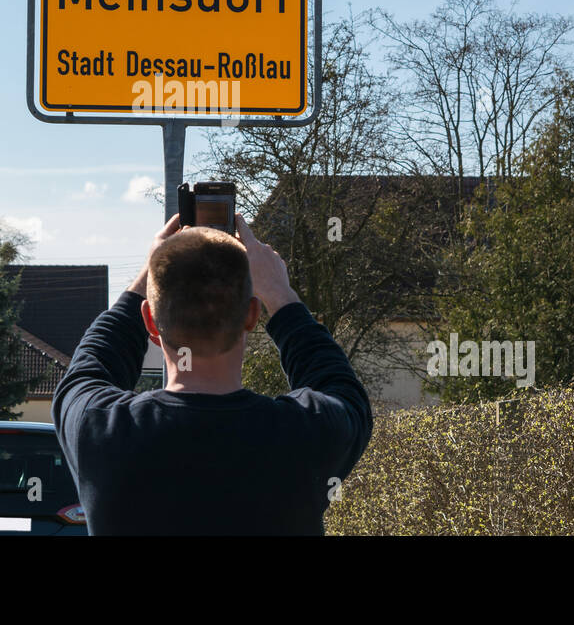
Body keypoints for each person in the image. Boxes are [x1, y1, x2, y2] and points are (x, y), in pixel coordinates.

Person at [51, 211, 373, 534]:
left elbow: (88, 368)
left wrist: (148, 274)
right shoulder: (304, 436)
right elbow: (341, 389)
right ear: (252, 315)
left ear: (149, 320)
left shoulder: (100, 431)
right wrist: (281, 296)